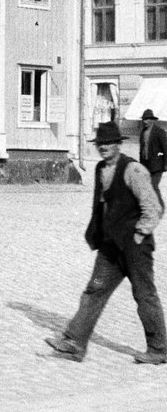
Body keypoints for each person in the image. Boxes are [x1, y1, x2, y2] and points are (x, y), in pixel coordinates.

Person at [46, 120, 167, 364]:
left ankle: (159, 349)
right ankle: (74, 343)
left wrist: (139, 234)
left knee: (144, 295)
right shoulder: (101, 168)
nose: (103, 147)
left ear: (118, 145)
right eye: (100, 143)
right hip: (110, 247)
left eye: (108, 143)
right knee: (94, 291)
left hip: (135, 247)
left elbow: (154, 207)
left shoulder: (133, 170)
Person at [138, 108, 167, 200]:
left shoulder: (160, 132)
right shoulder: (143, 132)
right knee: (146, 187)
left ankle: (160, 205)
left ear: (152, 120)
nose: (145, 121)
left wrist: (166, 164)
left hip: (157, 166)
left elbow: (166, 148)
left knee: (154, 186)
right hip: (146, 165)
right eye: (144, 119)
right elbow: (142, 150)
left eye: (147, 119)